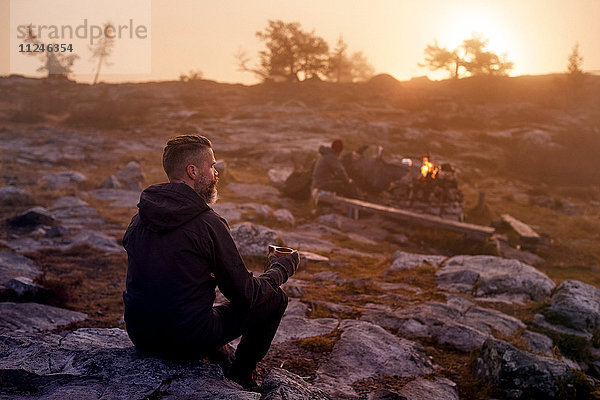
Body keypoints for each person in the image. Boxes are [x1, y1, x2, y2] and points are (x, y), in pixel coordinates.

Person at [122, 134, 299, 391]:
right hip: (186, 339)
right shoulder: (208, 223)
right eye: (212, 166)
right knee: (275, 299)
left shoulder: (139, 218)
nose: (216, 173)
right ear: (192, 171)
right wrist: (279, 270)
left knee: (193, 301)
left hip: (140, 334)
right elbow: (245, 294)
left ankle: (217, 352)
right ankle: (242, 374)